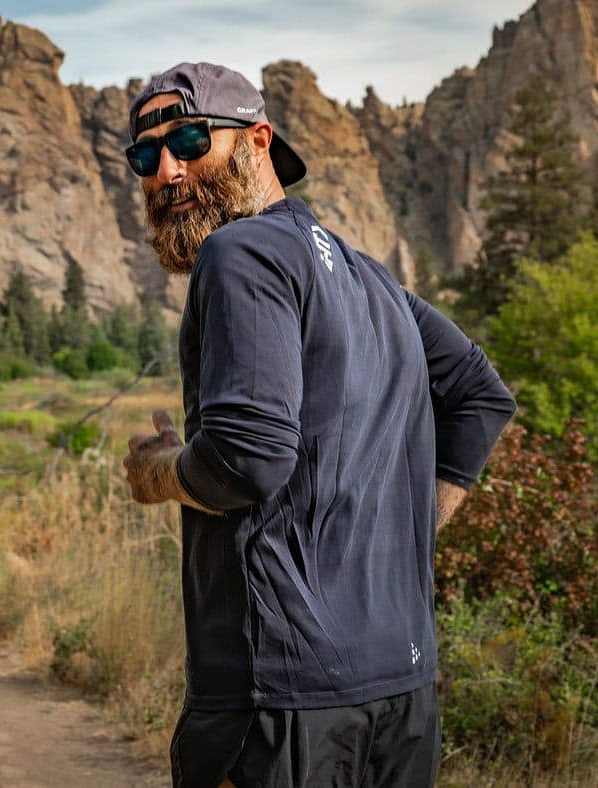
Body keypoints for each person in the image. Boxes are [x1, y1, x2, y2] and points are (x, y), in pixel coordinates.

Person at [118, 62, 515, 788]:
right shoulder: (372, 281)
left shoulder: (238, 250)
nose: (167, 171)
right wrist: (407, 530)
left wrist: (157, 472)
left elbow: (246, 459)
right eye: (145, 156)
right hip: (403, 689)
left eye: (192, 141)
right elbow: (479, 394)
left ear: (257, 141)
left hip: (281, 698)